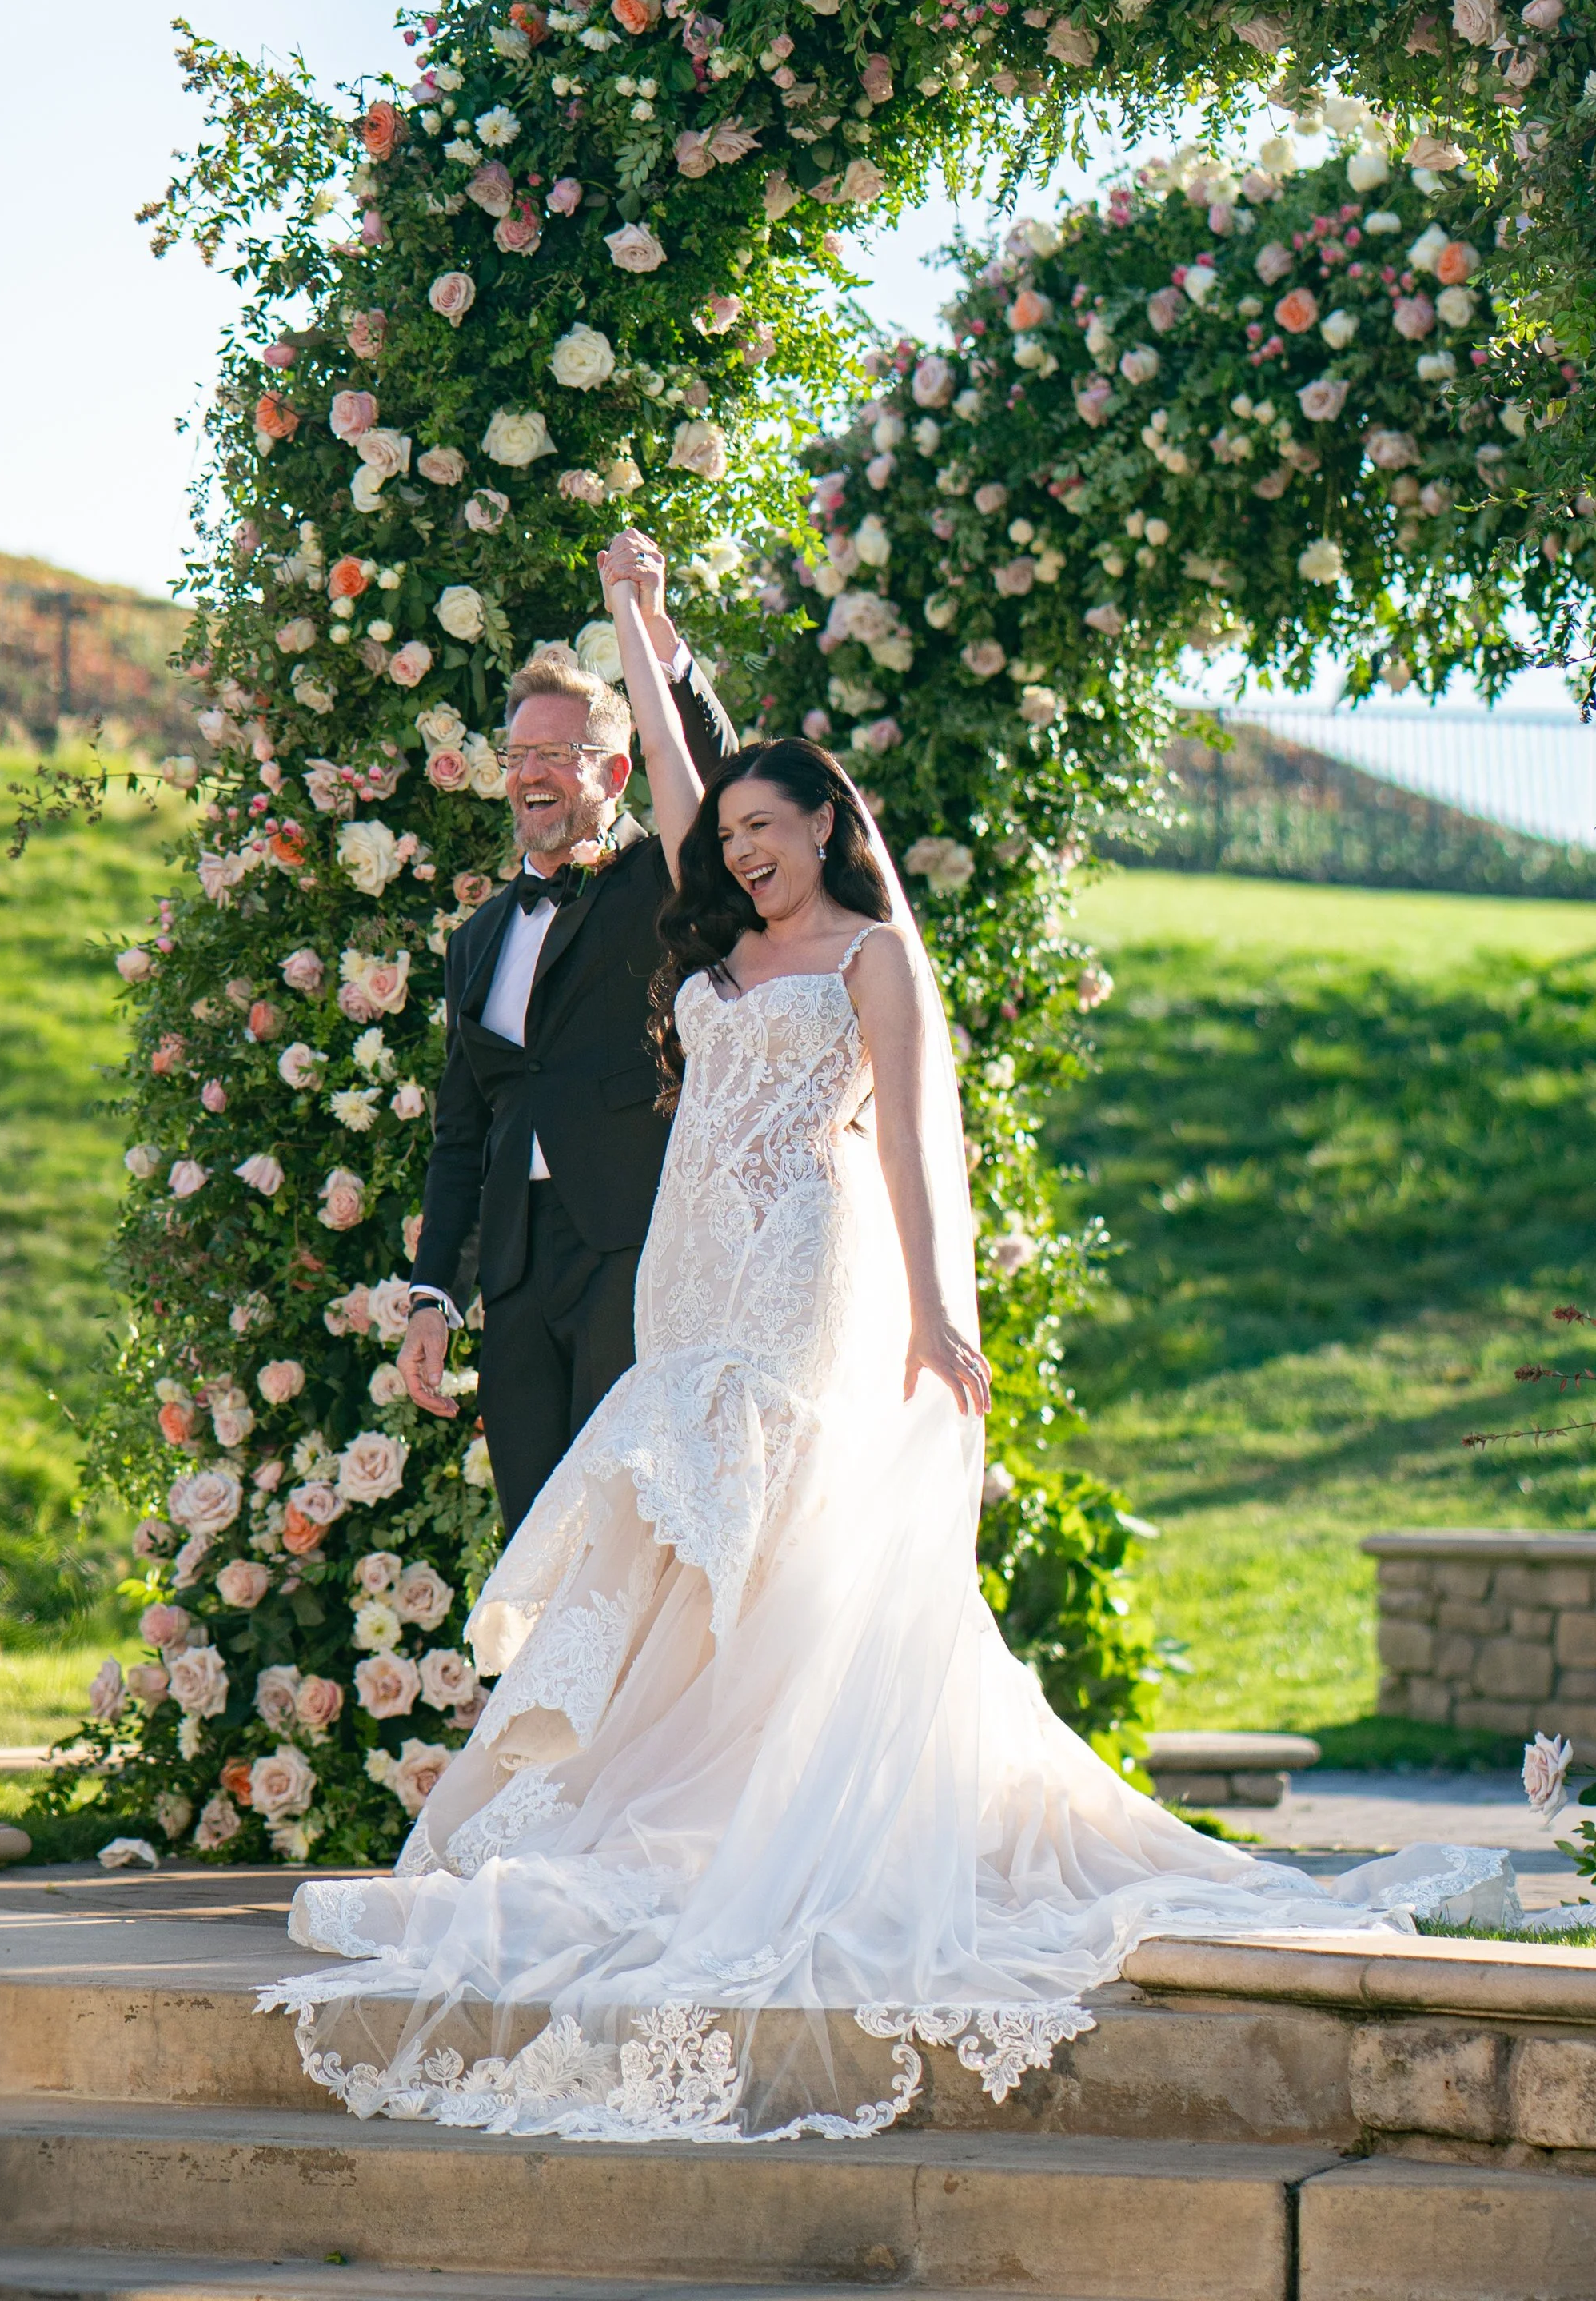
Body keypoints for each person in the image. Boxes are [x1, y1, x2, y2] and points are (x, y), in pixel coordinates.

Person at [270, 571, 1499, 2142]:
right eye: (725, 843)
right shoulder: (717, 948)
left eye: (764, 831)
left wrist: (939, 1313)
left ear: (825, 824)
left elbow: (918, 1146)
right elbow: (670, 778)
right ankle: (688, 1780)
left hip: (802, 1272)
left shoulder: (872, 960)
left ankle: (773, 1802)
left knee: (768, 1522)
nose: (739, 852)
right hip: (688, 1279)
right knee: (680, 1528)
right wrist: (637, 626)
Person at [397, 529, 734, 1537]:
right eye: (518, 755)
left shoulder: (662, 882)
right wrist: (432, 1298)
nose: (531, 773)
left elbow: (720, 780)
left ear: (617, 771)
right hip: (516, 1275)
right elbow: (462, 1134)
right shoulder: (477, 940)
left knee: (627, 1537)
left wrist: (656, 629)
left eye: (557, 754)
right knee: (535, 1542)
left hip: (633, 1249)